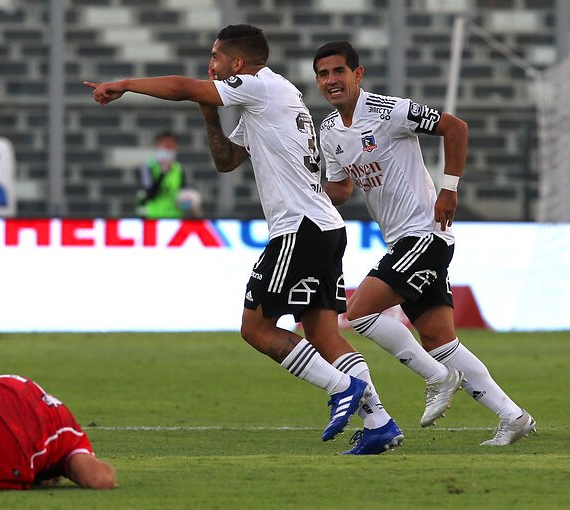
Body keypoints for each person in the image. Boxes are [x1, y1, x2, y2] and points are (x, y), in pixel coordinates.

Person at [85, 24, 407, 455]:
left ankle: (341, 387)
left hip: (300, 227)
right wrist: (207, 108)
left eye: (216, 57)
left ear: (237, 63)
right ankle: (379, 422)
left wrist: (125, 84)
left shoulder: (258, 87)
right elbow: (226, 160)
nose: (210, 65)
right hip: (325, 227)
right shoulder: (272, 97)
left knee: (255, 328)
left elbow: (182, 86)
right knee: (322, 334)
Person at [314, 41, 536, 446]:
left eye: (339, 71)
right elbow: (342, 189)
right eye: (324, 74)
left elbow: (456, 127)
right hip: (401, 239)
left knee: (359, 311)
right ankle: (513, 416)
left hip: (425, 234)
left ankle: (436, 378)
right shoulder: (329, 132)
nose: (331, 80)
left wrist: (449, 189)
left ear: (357, 74)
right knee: (440, 341)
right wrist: (309, 188)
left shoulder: (388, 110)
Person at [136, 131, 189, 218]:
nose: (168, 150)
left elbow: (181, 193)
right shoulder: (148, 166)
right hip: (152, 217)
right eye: (165, 146)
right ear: (157, 146)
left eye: (171, 146)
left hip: (174, 218)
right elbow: (149, 194)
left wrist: (188, 201)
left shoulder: (179, 169)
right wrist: (162, 173)